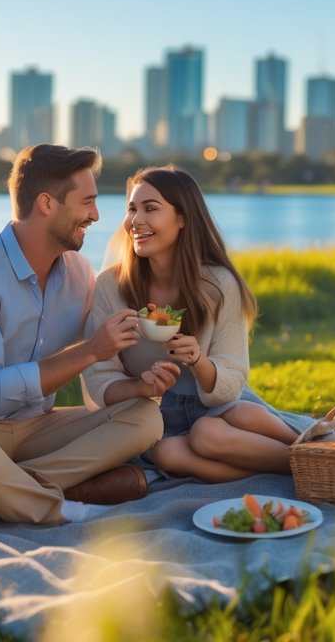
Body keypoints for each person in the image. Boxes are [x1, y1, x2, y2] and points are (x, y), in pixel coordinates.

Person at [0, 145, 164, 527]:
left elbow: (109, 353)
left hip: (35, 427)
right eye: (87, 202)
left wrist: (151, 370)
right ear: (46, 203)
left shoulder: (79, 274)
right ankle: (65, 507)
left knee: (145, 417)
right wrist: (89, 351)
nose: (96, 216)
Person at [82, 165, 298, 483]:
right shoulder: (110, 287)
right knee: (168, 454)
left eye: (150, 209)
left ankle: (310, 452)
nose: (135, 221)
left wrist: (198, 360)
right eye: (132, 209)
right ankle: (295, 467)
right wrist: (142, 386)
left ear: (182, 219)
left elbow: (232, 378)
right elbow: (100, 382)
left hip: (220, 408)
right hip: (154, 416)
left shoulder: (218, 284)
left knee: (216, 428)